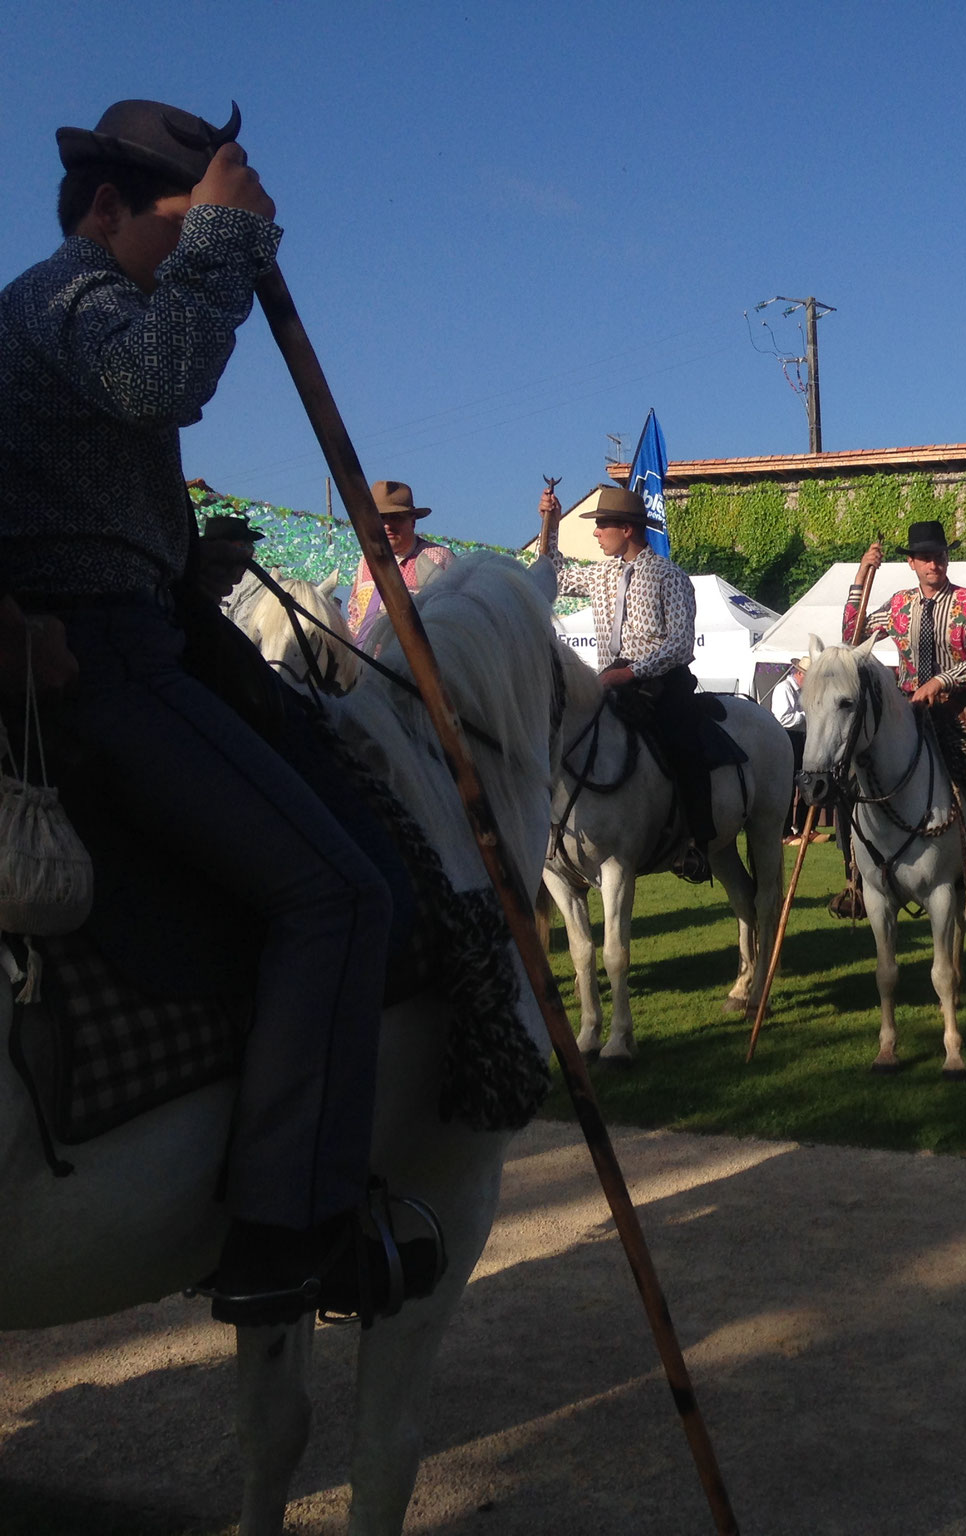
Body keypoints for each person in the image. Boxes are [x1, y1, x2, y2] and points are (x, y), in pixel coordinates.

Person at [0, 100, 421, 1325]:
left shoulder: (65, 307)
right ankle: (288, 1232)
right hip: (101, 656)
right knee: (337, 893)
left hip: (133, 625)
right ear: (104, 208)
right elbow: (161, 375)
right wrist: (230, 242)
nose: (195, 244)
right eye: (177, 221)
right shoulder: (67, 298)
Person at [847, 520, 966, 915]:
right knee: (851, 772)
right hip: (907, 710)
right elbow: (852, 637)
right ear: (911, 562)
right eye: (926, 557)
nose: (935, 564)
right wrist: (862, 574)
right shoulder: (898, 604)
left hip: (960, 707)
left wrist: (941, 680)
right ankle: (855, 879)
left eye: (940, 555)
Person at [538, 482, 712, 881]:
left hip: (662, 682)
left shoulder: (670, 576)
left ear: (628, 529)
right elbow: (551, 574)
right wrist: (549, 521)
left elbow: (680, 645)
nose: (597, 533)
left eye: (602, 526)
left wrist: (630, 672)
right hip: (608, 682)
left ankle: (696, 842)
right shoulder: (600, 575)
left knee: (683, 743)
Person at [345, 480, 452, 642]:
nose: (387, 525)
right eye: (380, 518)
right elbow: (354, 619)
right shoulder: (366, 563)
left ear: (413, 522)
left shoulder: (437, 557)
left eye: (396, 518)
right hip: (363, 662)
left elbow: (451, 619)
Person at [768, 659, 808, 840]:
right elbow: (783, 718)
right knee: (788, 785)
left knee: (806, 783)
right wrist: (808, 715)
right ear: (799, 674)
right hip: (787, 738)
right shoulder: (784, 689)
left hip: (801, 738)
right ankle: (784, 832)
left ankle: (804, 827)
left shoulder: (803, 691)